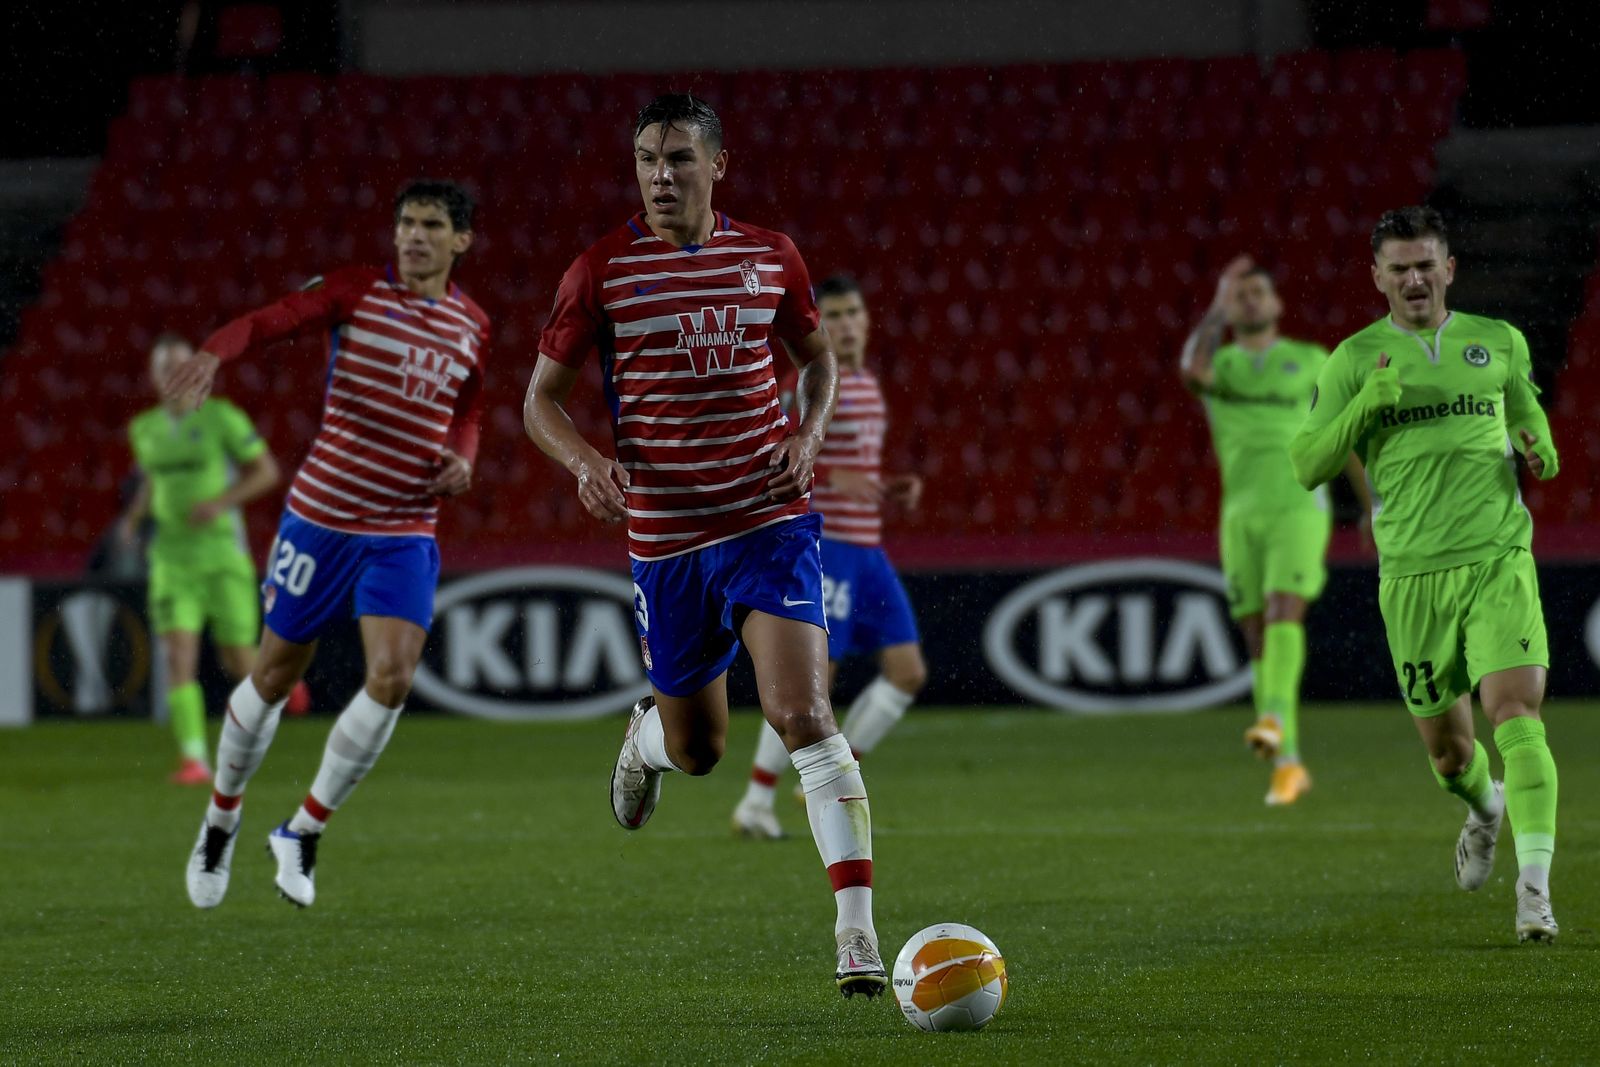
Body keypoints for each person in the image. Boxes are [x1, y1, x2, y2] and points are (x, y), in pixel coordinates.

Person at [523, 94, 886, 998]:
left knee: (804, 714)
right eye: (647, 158)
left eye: (679, 158)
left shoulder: (771, 255)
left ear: (717, 165)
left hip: (768, 523)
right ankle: (645, 738)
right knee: (700, 751)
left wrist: (808, 437)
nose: (660, 175)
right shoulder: (600, 271)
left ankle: (856, 933)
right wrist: (584, 462)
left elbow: (818, 361)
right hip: (668, 540)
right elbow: (539, 400)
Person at [167, 180, 488, 910]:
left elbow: (469, 408)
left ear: (460, 240)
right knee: (274, 676)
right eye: (405, 222)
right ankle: (220, 819)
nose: (413, 236)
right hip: (324, 517)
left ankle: (303, 829)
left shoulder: (473, 324)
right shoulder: (355, 293)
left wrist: (464, 458)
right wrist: (215, 354)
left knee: (393, 677)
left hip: (405, 525)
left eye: (431, 225)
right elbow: (272, 320)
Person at [1290, 205, 1561, 943]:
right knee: (1450, 755)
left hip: (1498, 558)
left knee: (1518, 715)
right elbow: (1306, 464)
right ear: (1378, 278)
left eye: (1425, 264)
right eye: (1399, 268)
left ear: (1449, 269)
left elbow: (1525, 410)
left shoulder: (1498, 340)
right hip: (1411, 575)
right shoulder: (1354, 360)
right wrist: (1362, 411)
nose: (1414, 278)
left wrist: (1538, 442)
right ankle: (1483, 807)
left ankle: (1533, 893)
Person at [731, 274, 926, 840]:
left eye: (852, 313)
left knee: (908, 672)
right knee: (813, 680)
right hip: (828, 548)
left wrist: (887, 487)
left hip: (868, 551)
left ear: (866, 320)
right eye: (833, 315)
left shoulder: (866, 385)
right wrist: (832, 474)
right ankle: (755, 801)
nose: (845, 324)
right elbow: (774, 450)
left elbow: (852, 468)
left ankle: (842, 766)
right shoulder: (807, 382)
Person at [1180, 257, 1372, 806]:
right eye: (1240, 294)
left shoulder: (1311, 360)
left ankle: (1271, 718)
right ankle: (1288, 765)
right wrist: (1215, 308)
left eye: (1257, 291)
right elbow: (1190, 372)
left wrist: (1371, 505)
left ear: (1277, 303)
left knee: (1283, 609)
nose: (1249, 300)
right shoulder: (1221, 366)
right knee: (1256, 635)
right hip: (1240, 513)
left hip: (1299, 505)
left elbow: (1342, 433)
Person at [122, 332, 281, 784]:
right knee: (177, 655)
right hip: (171, 560)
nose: (172, 374)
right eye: (163, 367)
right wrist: (134, 518)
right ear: (153, 376)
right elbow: (153, 481)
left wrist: (221, 502)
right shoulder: (144, 429)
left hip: (223, 555)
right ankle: (194, 758)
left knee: (238, 660)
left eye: (179, 365)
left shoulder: (221, 418)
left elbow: (267, 472)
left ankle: (276, 693)